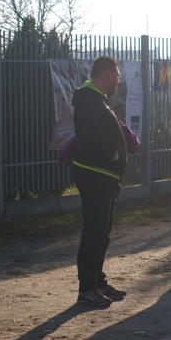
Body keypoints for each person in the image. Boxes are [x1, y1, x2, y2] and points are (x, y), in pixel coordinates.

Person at [70, 56, 127, 307]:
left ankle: (97, 281)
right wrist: (113, 155)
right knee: (94, 231)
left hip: (104, 175)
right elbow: (91, 137)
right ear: (107, 75)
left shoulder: (96, 99)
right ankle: (87, 289)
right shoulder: (88, 99)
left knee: (102, 231)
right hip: (95, 174)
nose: (118, 81)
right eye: (117, 76)